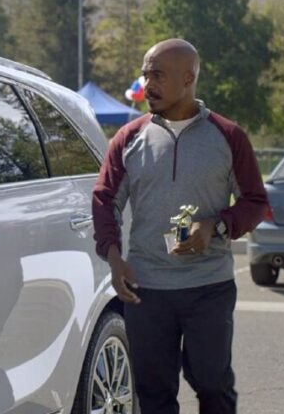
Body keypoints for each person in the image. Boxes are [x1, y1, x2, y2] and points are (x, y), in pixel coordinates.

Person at [92, 39, 268, 414]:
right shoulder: (128, 138)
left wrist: (216, 226)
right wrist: (113, 256)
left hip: (209, 287)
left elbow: (255, 202)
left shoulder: (228, 136)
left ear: (188, 79)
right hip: (145, 289)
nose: (147, 84)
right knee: (153, 393)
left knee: (212, 384)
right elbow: (104, 198)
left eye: (157, 75)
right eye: (145, 74)